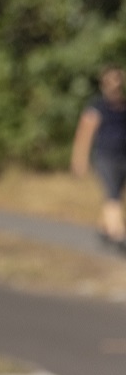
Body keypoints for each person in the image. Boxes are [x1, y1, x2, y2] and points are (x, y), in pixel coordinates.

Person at [71, 66, 126, 249]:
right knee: (112, 194)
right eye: (110, 80)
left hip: (122, 156)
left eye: (117, 79)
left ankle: (105, 228)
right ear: (103, 84)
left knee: (115, 194)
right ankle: (118, 234)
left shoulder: (122, 106)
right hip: (105, 157)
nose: (115, 84)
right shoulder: (97, 106)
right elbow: (85, 134)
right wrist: (80, 159)